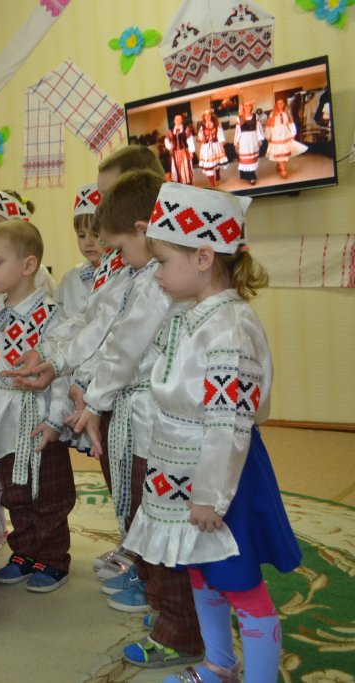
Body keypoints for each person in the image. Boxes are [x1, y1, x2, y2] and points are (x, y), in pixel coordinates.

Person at [127, 183, 301, 682]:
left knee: (240, 583)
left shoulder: (230, 329)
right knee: (199, 570)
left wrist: (209, 496)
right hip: (182, 468)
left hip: (221, 478)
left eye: (161, 261)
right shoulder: (190, 316)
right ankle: (219, 665)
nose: (156, 273)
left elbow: (229, 423)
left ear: (203, 257)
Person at [69, 172, 203, 671]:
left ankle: (179, 630)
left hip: (154, 422)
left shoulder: (157, 281)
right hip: (148, 416)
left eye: (121, 247)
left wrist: (94, 400)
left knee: (157, 523)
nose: (117, 257)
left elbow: (125, 346)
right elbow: (107, 333)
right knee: (152, 520)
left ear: (147, 230)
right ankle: (177, 615)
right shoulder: (152, 276)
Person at [16, 145, 165, 582]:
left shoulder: (162, 269)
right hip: (108, 401)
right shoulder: (115, 265)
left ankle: (155, 577)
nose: (100, 211)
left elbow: (126, 341)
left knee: (150, 492)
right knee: (123, 483)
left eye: (107, 197)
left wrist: (92, 393)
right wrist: (56, 362)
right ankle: (136, 555)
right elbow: (94, 323)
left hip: (146, 404)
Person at [0, 221, 75, 592]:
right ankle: (24, 550)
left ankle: (54, 558)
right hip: (2, 418)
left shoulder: (51, 314)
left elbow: (63, 371)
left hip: (37, 415)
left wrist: (56, 420)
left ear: (27, 265)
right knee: (15, 490)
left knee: (48, 492)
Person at [55, 183, 105, 320]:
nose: (88, 242)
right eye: (81, 235)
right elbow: (59, 321)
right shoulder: (70, 279)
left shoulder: (122, 276)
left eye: (95, 235)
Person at [266, 98, 306, 179]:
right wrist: (268, 136)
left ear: (284, 104)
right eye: (278, 103)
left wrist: (293, 133)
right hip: (276, 134)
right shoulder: (272, 114)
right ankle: (283, 170)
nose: (280, 105)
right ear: (276, 105)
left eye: (282, 103)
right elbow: (269, 126)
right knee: (278, 151)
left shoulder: (287, 113)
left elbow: (291, 124)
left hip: (285, 134)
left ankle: (280, 165)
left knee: (284, 151)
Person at [235, 100, 264, 186]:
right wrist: (236, 142)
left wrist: (260, 138)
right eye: (246, 106)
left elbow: (258, 128)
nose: (248, 107)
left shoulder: (256, 116)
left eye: (249, 106)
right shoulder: (239, 118)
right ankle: (251, 176)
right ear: (243, 107)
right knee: (245, 158)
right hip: (243, 139)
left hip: (253, 138)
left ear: (251, 107)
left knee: (252, 158)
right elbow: (238, 131)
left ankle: (251, 175)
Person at [196, 110, 228, 188]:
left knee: (216, 162)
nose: (207, 117)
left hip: (215, 145)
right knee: (208, 165)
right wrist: (200, 140)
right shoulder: (202, 127)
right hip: (206, 147)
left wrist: (221, 146)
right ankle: (212, 184)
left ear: (211, 116)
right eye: (205, 116)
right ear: (204, 117)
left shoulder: (217, 125)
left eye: (209, 115)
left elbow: (220, 136)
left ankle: (217, 175)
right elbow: (200, 138)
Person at [165, 114, 195, 185]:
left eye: (179, 119)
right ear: (174, 121)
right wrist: (170, 147)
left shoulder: (186, 129)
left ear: (182, 120)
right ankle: (180, 183)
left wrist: (191, 151)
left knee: (186, 167)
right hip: (175, 153)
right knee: (177, 168)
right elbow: (166, 140)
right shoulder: (171, 131)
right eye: (176, 119)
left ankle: (188, 182)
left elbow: (190, 140)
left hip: (185, 151)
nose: (177, 121)